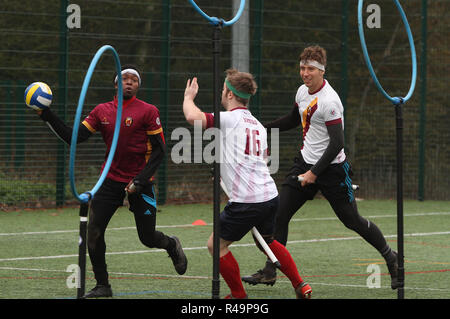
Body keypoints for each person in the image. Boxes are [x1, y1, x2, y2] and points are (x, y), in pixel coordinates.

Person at [241, 45, 399, 290]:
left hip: (332, 169)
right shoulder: (302, 92)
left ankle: (391, 257)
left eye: (311, 69)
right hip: (304, 162)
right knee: (279, 215)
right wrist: (265, 127)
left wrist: (314, 174)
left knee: (352, 220)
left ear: (322, 71)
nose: (305, 73)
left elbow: (337, 143)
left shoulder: (330, 101)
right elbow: (295, 119)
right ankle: (270, 270)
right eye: (302, 68)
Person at [33, 64, 187, 298]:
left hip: (140, 181)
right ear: (116, 83)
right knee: (93, 231)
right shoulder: (101, 111)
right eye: (124, 78)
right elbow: (73, 137)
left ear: (137, 86)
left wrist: (140, 180)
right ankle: (103, 285)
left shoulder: (148, 111)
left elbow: (159, 151)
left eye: (134, 80)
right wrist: (46, 113)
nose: (129, 82)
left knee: (147, 238)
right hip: (110, 180)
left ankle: (171, 245)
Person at [182, 68, 312, 299]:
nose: (222, 93)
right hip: (270, 196)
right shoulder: (257, 125)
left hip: (247, 202)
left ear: (230, 94)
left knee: (216, 246)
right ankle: (301, 285)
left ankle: (238, 296)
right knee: (268, 242)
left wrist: (188, 98)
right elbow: (258, 160)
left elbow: (193, 118)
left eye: (223, 89)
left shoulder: (229, 119)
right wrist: (226, 174)